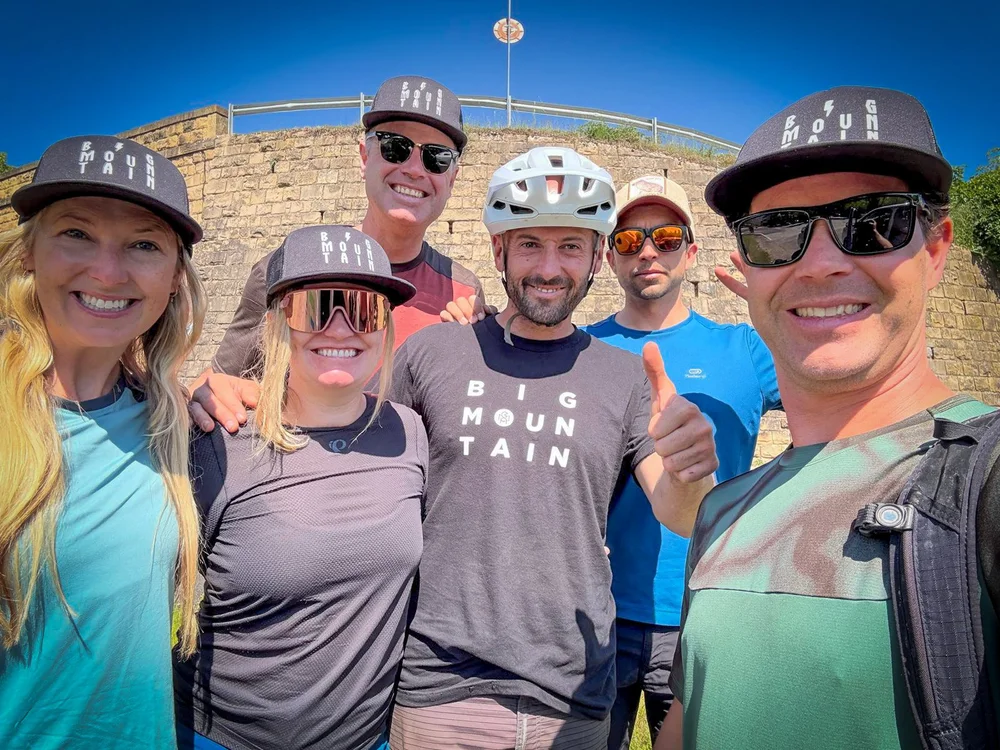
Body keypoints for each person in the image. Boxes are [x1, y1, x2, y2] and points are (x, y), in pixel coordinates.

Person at [189, 146, 719, 749]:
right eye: (529, 244)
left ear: (598, 256)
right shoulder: (433, 354)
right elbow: (340, 426)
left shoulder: (623, 377)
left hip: (575, 694)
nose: (550, 267)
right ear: (498, 251)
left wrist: (689, 471)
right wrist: (225, 391)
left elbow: (677, 510)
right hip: (441, 688)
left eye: (571, 246)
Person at [656, 86, 1000, 750]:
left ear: (935, 250)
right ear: (747, 271)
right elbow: (688, 716)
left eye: (874, 223)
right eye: (776, 233)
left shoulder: (983, 480)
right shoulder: (725, 512)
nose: (819, 264)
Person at [174, 225, 427, 750]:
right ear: (275, 325)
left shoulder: (409, 434)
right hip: (223, 737)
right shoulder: (218, 438)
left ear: (386, 330)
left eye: (363, 310)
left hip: (366, 740)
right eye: (317, 307)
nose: (340, 328)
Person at [0, 135, 206, 748]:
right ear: (29, 252)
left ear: (174, 278)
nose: (108, 271)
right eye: (76, 233)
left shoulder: (169, 422)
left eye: (144, 245)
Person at [582, 175, 780, 749]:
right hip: (600, 611)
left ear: (691, 251)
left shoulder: (746, 348)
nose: (647, 252)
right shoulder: (581, 350)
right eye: (628, 240)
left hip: (709, 604)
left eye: (666, 238)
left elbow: (842, 387)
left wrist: (783, 312)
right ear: (608, 256)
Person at [191, 75, 485, 434]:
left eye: (436, 158)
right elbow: (215, 385)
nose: (413, 168)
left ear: (452, 178)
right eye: (395, 147)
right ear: (365, 157)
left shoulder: (464, 292)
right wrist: (209, 395)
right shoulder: (286, 269)